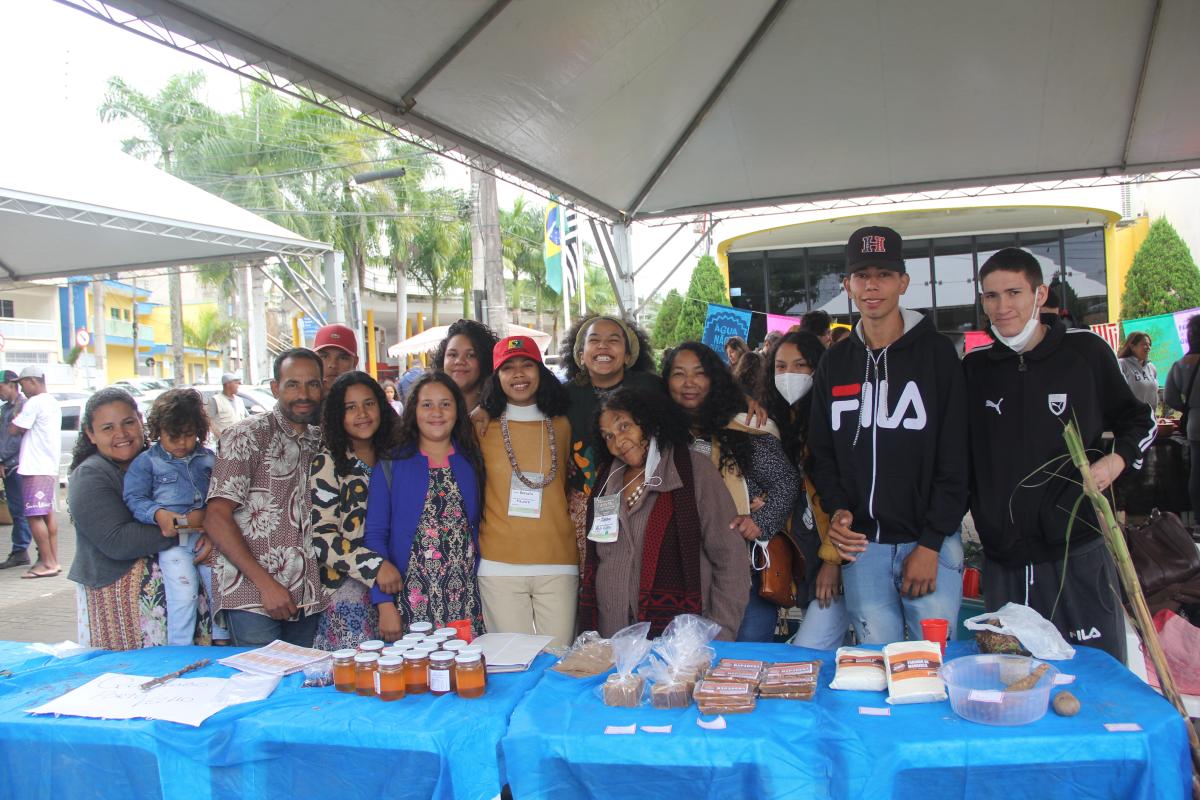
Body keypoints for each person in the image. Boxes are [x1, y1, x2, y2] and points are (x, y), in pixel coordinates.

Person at [966, 247, 1155, 661]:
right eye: (991, 296)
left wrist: (1116, 461)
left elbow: (1138, 420)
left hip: (1076, 550)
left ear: (1039, 293)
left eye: (1014, 292)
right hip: (1004, 559)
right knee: (1013, 681)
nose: (1002, 306)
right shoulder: (974, 368)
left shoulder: (1084, 352)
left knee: (1093, 676)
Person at [809, 226, 968, 644]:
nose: (872, 285)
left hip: (929, 543)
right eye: (861, 275)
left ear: (903, 282)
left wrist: (931, 543)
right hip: (862, 547)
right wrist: (839, 509)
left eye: (883, 274)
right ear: (848, 285)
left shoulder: (937, 355)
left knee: (929, 668)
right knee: (878, 667)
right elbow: (821, 452)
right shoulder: (835, 362)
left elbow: (957, 458)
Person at [578, 388, 749, 639]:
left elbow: (730, 559)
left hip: (678, 644)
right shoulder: (607, 479)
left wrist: (721, 633)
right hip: (610, 639)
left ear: (649, 422)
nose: (618, 442)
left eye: (624, 427)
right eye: (608, 436)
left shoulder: (693, 472)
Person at [662, 343, 799, 642]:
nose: (689, 383)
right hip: (681, 576)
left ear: (715, 379)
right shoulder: (657, 436)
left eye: (700, 373)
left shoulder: (743, 427)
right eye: (678, 374)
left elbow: (786, 481)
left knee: (744, 663)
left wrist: (760, 520)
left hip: (744, 573)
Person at [67, 388, 208, 649]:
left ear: (141, 421)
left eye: (128, 423)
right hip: (118, 604)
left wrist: (210, 530)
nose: (121, 434)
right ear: (90, 434)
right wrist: (193, 526)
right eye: (108, 428)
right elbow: (117, 541)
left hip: (172, 600)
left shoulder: (167, 458)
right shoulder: (90, 476)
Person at [204, 348, 326, 646]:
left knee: (298, 685)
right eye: (293, 384)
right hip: (253, 595)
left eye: (312, 384)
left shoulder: (321, 439)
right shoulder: (246, 435)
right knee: (263, 680)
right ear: (275, 388)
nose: (304, 394)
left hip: (306, 594)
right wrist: (266, 585)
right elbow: (216, 516)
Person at [364, 372, 485, 640]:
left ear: (458, 410)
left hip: (465, 599)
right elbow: (374, 535)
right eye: (426, 405)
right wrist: (383, 603)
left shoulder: (471, 461)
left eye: (445, 404)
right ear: (413, 411)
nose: (437, 413)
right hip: (408, 601)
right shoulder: (391, 464)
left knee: (464, 676)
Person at [475, 336, 577, 646]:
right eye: (508, 368)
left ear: (541, 370)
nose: (518, 374)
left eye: (527, 365)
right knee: (512, 666)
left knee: (558, 662)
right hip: (499, 564)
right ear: (497, 377)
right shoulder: (478, 426)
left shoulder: (563, 423)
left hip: (558, 561)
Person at [764, 330, 851, 649]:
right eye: (781, 366)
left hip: (832, 557)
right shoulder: (774, 421)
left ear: (818, 368)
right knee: (821, 647)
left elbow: (843, 499)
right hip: (800, 557)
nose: (790, 375)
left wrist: (833, 562)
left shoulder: (835, 420)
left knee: (811, 648)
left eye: (801, 365)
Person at [122, 389, 222, 646]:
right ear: (158, 431)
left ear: (199, 431)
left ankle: (225, 641)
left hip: (208, 538)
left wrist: (212, 527)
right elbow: (135, 498)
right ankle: (180, 649)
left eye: (189, 435)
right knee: (183, 595)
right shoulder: (147, 463)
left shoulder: (209, 459)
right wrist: (157, 513)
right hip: (174, 543)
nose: (181, 443)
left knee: (220, 589)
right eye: (173, 436)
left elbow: (222, 497)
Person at [309, 371, 401, 649]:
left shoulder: (397, 454)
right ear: (338, 415)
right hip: (349, 588)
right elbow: (322, 539)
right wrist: (375, 567)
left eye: (369, 403)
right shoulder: (329, 462)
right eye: (350, 408)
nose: (362, 413)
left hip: (399, 577)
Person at [10, 365, 62, 579]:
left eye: (23, 385)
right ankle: (53, 560)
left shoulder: (35, 402)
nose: (22, 391)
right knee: (47, 514)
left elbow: (15, 428)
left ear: (32, 381)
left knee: (34, 516)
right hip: (48, 466)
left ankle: (48, 562)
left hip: (35, 467)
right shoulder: (52, 402)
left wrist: (15, 416)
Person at [1166, 315, 1200, 514]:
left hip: (1195, 423)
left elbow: (1170, 397)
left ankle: (1198, 517)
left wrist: (1187, 408)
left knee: (1197, 473)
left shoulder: (1180, 365)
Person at [0, 371, 32, 569]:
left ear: (11, 385)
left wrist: (1, 458)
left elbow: (14, 440)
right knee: (15, 508)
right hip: (8, 465)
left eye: (0, 387)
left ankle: (21, 550)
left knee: (21, 510)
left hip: (19, 465)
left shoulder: (23, 407)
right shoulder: (5, 410)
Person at [432, 318, 499, 413]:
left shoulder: (501, 418)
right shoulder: (427, 416)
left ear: (485, 361)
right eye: (453, 355)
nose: (459, 361)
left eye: (471, 355)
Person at [1118, 332, 1158, 410]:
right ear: (1132, 347)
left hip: (1150, 419)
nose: (1148, 347)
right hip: (1130, 418)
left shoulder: (1152, 367)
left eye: (1149, 344)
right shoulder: (1122, 364)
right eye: (1144, 344)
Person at [314, 323, 359, 391]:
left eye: (343, 358)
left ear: (355, 363)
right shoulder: (299, 399)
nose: (333, 365)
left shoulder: (367, 398)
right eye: (324, 356)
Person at [208, 372, 247, 440]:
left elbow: (247, 418)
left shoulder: (239, 400)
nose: (238, 386)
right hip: (223, 443)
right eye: (236, 383)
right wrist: (220, 437)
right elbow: (209, 421)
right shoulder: (215, 400)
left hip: (239, 441)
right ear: (227, 384)